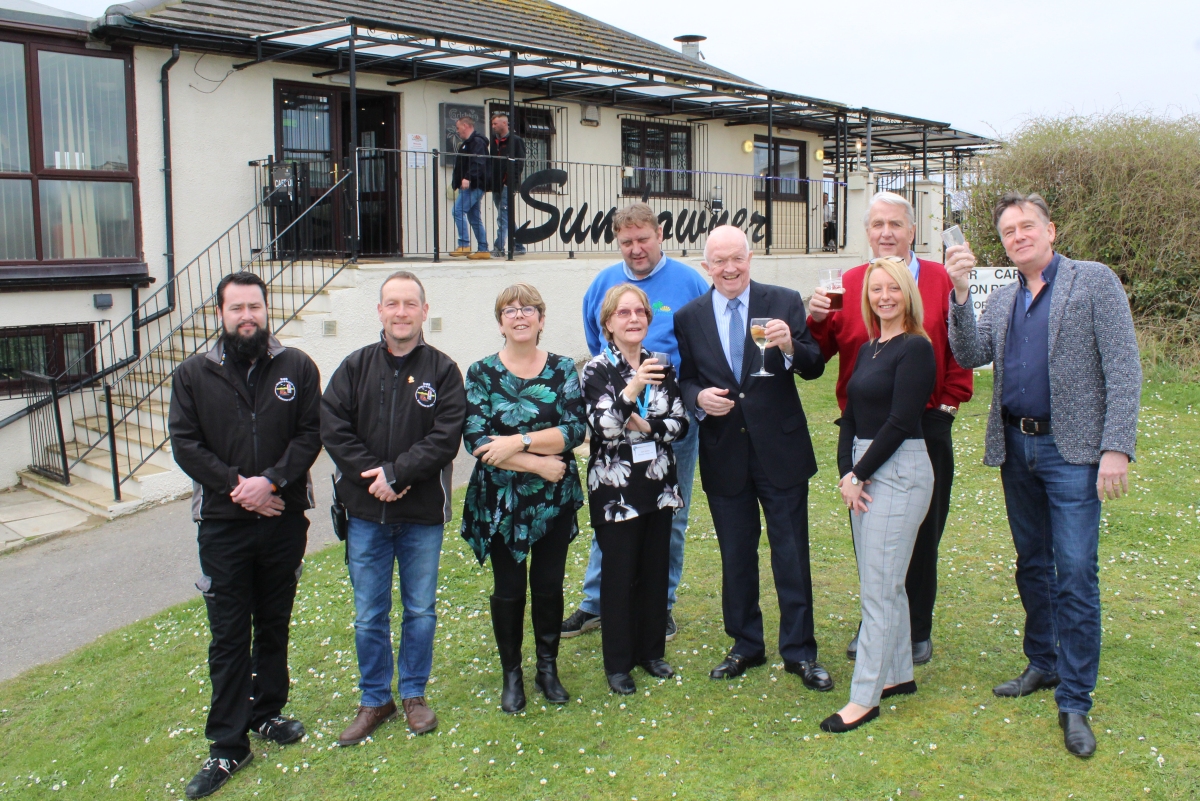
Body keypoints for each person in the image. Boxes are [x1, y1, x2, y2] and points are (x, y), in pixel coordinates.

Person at [945, 191, 1141, 758]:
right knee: (1033, 564)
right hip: (1017, 448)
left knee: (1076, 572)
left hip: (1074, 452)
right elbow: (969, 353)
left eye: (1027, 226)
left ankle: (1076, 700)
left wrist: (1116, 448)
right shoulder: (1003, 298)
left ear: (1050, 230)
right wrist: (961, 292)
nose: (1018, 236)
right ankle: (1044, 663)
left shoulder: (1094, 281)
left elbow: (1123, 369)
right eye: (1008, 232)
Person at [169, 271, 322, 800]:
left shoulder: (297, 366)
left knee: (274, 622)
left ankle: (268, 712)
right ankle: (228, 744)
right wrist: (240, 487)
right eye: (236, 308)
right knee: (229, 635)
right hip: (223, 524)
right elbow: (185, 444)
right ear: (220, 314)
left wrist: (273, 481)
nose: (247, 316)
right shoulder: (193, 374)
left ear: (265, 308)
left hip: (283, 518)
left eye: (254, 306)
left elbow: (310, 433)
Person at [808, 191, 974, 667]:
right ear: (867, 232)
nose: (886, 232)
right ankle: (876, 621)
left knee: (922, 533)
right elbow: (821, 355)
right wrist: (815, 321)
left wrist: (950, 401)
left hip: (924, 425)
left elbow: (959, 342)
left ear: (912, 231)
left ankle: (915, 628)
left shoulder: (942, 279)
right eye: (877, 224)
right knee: (871, 531)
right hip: (865, 428)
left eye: (896, 224)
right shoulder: (852, 282)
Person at [673, 224, 832, 690]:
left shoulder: (782, 301)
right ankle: (745, 644)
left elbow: (814, 364)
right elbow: (684, 380)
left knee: (790, 553)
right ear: (706, 267)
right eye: (719, 261)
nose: (729, 268)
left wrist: (789, 345)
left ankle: (800, 652)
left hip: (779, 450)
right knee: (735, 555)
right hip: (725, 451)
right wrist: (698, 398)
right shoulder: (688, 316)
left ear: (750, 258)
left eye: (736, 258)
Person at [321, 271, 466, 745]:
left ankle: (414, 694)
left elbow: (445, 437)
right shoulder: (354, 367)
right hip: (366, 515)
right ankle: (373, 698)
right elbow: (334, 427)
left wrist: (398, 475)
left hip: (421, 514)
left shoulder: (443, 371)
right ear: (380, 311)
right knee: (369, 614)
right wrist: (375, 477)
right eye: (392, 304)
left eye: (410, 304)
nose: (400, 312)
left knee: (420, 610)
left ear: (425, 311)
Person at [563, 203, 708, 643]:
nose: (635, 248)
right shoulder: (604, 283)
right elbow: (598, 345)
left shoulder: (688, 281)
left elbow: (705, 340)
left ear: (659, 234)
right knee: (612, 512)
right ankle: (596, 603)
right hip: (616, 426)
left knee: (670, 513)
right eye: (626, 242)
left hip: (668, 423)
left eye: (642, 238)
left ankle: (659, 604)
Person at [820, 257, 936, 733]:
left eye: (892, 289)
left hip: (899, 468)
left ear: (907, 293)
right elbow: (848, 412)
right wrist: (847, 470)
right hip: (865, 470)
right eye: (875, 290)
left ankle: (864, 697)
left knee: (879, 587)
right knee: (881, 579)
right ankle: (898, 676)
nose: (883, 296)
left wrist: (861, 472)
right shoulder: (870, 346)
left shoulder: (916, 349)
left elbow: (903, 420)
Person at [460, 283, 586, 714]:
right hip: (502, 501)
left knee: (549, 585)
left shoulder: (562, 368)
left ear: (541, 319)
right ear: (500, 322)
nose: (519, 316)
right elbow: (478, 441)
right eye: (509, 310)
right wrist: (537, 461)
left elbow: (574, 431)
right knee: (510, 587)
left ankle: (547, 668)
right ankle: (511, 673)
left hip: (554, 500)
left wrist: (517, 440)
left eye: (527, 309)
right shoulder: (480, 373)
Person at [581, 284, 690, 694]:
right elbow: (604, 428)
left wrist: (646, 426)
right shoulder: (596, 370)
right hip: (616, 489)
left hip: (658, 484)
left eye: (640, 312)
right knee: (620, 575)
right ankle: (618, 664)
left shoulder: (660, 364)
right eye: (623, 313)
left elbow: (680, 424)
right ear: (608, 323)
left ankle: (651, 652)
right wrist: (633, 389)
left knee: (654, 569)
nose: (633, 319)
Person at [450, 116, 491, 260]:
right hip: (473, 184)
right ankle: (483, 249)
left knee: (458, 210)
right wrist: (456, 182)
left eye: (458, 127)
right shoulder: (469, 143)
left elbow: (478, 162)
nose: (457, 131)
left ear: (465, 125)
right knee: (474, 217)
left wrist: (468, 177)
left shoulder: (476, 142)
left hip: (474, 185)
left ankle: (464, 244)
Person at [489, 112, 526, 256]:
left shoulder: (515, 141)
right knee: (506, 215)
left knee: (503, 216)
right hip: (496, 184)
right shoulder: (495, 141)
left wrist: (511, 181)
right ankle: (519, 245)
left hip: (507, 185)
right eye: (492, 124)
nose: (493, 126)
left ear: (504, 123)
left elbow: (519, 163)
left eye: (495, 124)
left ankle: (499, 247)